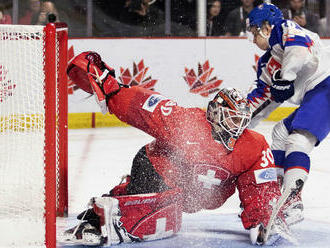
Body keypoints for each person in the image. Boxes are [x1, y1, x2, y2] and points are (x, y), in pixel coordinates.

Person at [61, 51, 293, 246]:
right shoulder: (188, 123)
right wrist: (111, 88)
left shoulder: (254, 145)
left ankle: (122, 196)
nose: (238, 127)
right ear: (215, 114)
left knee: (168, 210)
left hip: (189, 195)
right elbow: (144, 107)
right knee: (161, 214)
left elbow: (259, 186)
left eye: (242, 121)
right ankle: (101, 219)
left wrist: (263, 218)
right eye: (232, 119)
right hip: (157, 165)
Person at [246, 3, 330, 226]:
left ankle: (292, 202)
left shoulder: (285, 28)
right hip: (317, 93)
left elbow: (299, 49)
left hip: (327, 85)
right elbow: (262, 100)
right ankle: (274, 194)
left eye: (254, 33)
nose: (253, 40)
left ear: (266, 26)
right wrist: (240, 123)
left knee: (298, 140)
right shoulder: (267, 61)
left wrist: (287, 76)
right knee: (281, 132)